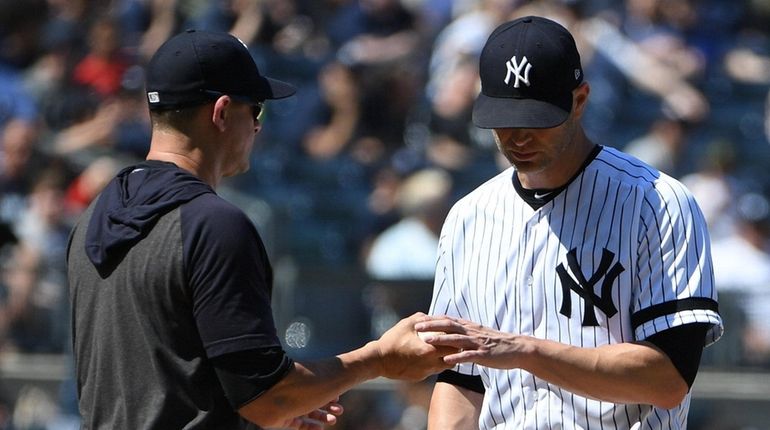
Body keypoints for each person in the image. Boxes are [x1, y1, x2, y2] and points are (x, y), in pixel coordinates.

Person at [66, 29, 456, 430]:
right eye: (256, 111)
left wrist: (260, 416)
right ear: (221, 112)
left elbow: (162, 387)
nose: (258, 127)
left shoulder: (94, 217)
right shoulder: (211, 223)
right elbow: (269, 398)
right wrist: (378, 359)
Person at [414, 16, 724, 429]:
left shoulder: (659, 202)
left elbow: (667, 379)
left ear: (579, 101)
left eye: (536, 119)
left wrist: (526, 352)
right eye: (504, 118)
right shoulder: (467, 217)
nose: (519, 136)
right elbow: (460, 379)